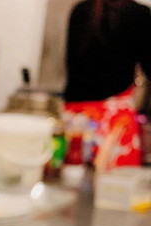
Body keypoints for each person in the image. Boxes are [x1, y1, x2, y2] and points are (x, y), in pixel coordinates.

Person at [64, 0, 151, 168]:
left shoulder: (80, 10)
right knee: (115, 183)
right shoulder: (139, 14)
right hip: (114, 126)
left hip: (75, 122)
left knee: (69, 179)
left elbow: (70, 65)